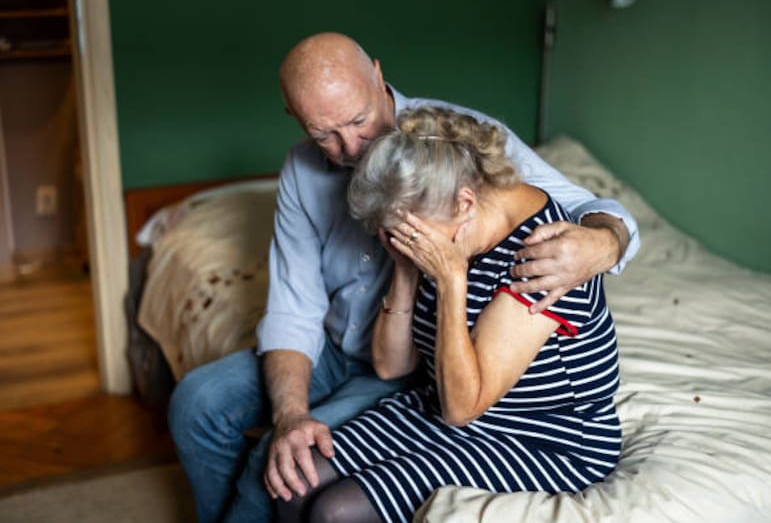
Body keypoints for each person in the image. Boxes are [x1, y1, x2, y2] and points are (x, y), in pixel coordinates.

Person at [168, 32, 638, 523]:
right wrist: (291, 413)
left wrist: (605, 242)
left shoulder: (464, 150)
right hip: (375, 356)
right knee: (205, 408)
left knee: (288, 470)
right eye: (323, 133)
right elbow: (295, 309)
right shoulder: (361, 205)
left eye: (357, 121)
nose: (349, 147)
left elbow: (583, 208)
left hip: (509, 419)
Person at [275, 106, 622, 523]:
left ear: (465, 202)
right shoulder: (434, 226)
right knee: (298, 482)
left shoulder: (542, 256)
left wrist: (451, 282)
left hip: (543, 438)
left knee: (337, 511)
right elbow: (391, 365)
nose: (410, 246)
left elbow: (463, 408)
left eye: (413, 239)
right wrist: (404, 268)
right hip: (442, 404)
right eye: (397, 237)